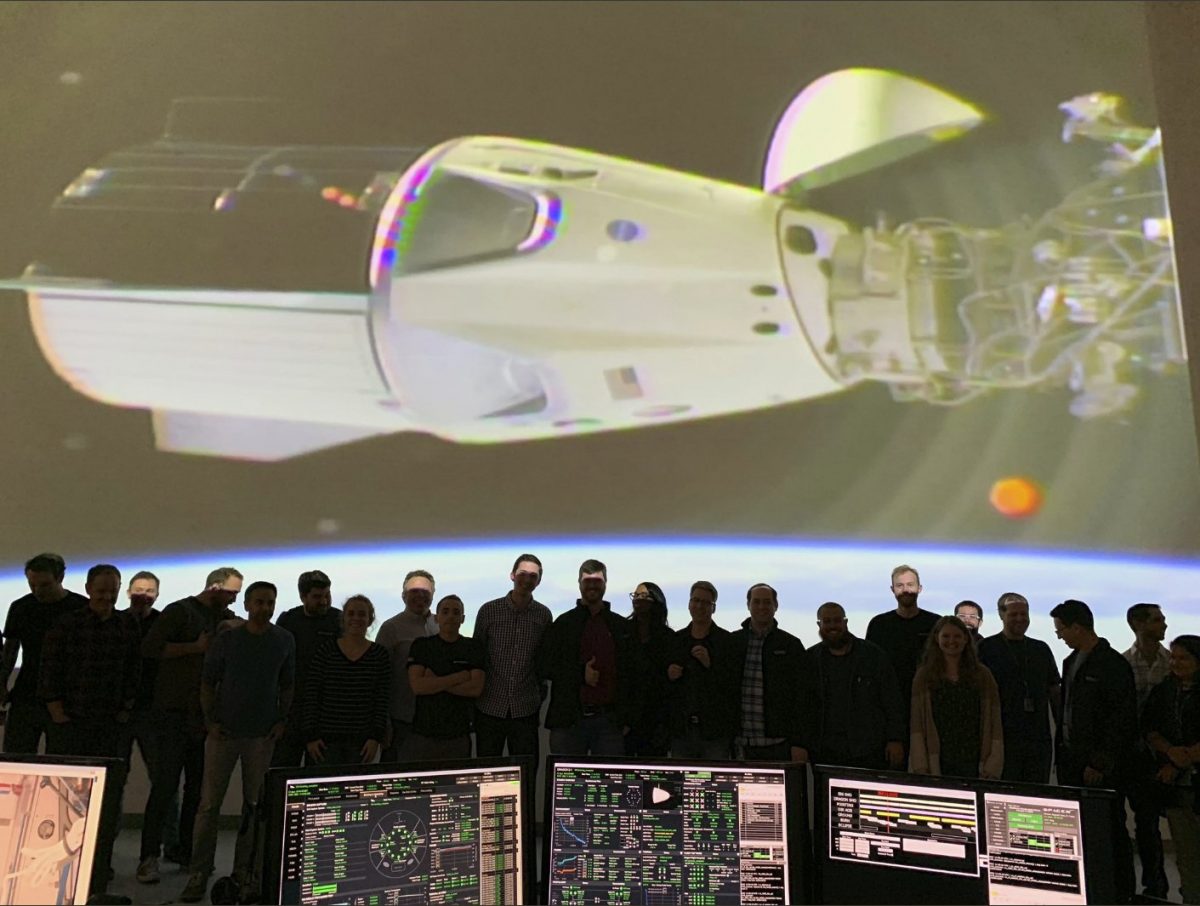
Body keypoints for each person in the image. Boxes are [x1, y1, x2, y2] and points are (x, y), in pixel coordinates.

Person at [181, 580, 295, 904]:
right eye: (259, 602)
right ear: (247, 605)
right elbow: (207, 681)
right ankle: (198, 875)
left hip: (261, 736)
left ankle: (246, 875)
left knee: (255, 808)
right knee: (208, 806)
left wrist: (281, 720)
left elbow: (287, 684)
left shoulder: (284, 640)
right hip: (224, 734)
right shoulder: (228, 639)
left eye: (270, 602)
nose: (265, 607)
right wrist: (210, 722)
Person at [39, 563, 141, 897]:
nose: (107, 595)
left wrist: (126, 708)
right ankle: (65, 860)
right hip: (72, 724)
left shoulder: (127, 625)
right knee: (66, 795)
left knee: (109, 797)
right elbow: (49, 667)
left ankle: (101, 863)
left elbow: (135, 670)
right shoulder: (66, 625)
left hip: (111, 725)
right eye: (101, 590)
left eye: (113, 589)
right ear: (87, 589)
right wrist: (56, 709)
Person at [136, 567, 242, 885]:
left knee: (196, 790)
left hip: (204, 717)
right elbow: (149, 649)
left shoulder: (225, 617)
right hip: (171, 714)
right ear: (214, 587)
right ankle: (148, 858)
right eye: (231, 592)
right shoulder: (179, 611)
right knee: (165, 788)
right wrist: (193, 648)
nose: (234, 598)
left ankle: (183, 851)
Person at [1052, 598, 1137, 905]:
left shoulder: (1113, 664)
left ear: (1078, 626)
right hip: (1072, 762)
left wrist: (1100, 762)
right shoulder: (1072, 660)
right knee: (1080, 832)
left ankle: (1121, 892)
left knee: (1111, 829)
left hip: (1099, 766)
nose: (1059, 635)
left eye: (1061, 629)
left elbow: (1121, 720)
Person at [542, 559, 638, 756]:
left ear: (605, 584)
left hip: (610, 722)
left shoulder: (621, 627)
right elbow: (545, 666)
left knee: (610, 785)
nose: (592, 585)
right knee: (566, 784)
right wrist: (580, 674)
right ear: (579, 584)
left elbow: (631, 674)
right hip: (569, 721)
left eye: (597, 580)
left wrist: (627, 718)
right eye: (587, 580)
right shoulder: (563, 624)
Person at [122, 570, 184, 865]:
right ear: (127, 592)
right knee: (113, 781)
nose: (142, 594)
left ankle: (169, 845)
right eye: (137, 589)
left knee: (164, 783)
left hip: (154, 712)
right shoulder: (117, 622)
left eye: (148, 590)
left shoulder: (165, 624)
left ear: (157, 595)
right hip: (117, 712)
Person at [0, 553, 87, 753]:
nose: (37, 591)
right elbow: (10, 650)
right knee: (16, 756)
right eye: (32, 585)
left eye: (44, 585)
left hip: (67, 696)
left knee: (63, 759)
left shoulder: (79, 608)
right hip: (27, 693)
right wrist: (2, 683)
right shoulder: (21, 607)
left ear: (60, 579)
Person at [801, 602, 905, 771]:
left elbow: (892, 700)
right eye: (827, 621)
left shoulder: (873, 656)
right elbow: (803, 707)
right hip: (824, 751)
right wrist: (801, 743)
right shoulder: (810, 659)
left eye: (837, 620)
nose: (832, 626)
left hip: (868, 750)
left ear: (845, 622)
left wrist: (895, 739)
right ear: (819, 624)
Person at [472, 555, 552, 765]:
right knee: (487, 773)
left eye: (533, 576)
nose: (527, 579)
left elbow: (543, 660)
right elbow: (477, 655)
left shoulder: (543, 615)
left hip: (525, 708)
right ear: (512, 575)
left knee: (527, 774)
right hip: (489, 706)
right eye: (522, 574)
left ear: (539, 581)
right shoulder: (489, 611)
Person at [976, 592, 1061, 784]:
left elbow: (1055, 692)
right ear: (1001, 615)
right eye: (1014, 614)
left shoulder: (1041, 649)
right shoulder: (986, 648)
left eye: (1024, 614)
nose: (1020, 619)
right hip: (1001, 738)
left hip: (1037, 740)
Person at [1142, 635, 1200, 905]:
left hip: (1188, 772)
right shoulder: (1165, 690)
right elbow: (1150, 728)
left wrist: (1185, 757)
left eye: (1183, 658)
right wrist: (1171, 754)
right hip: (1177, 788)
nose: (1176, 663)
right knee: (1187, 857)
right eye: (1173, 657)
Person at [909, 616, 1003, 779]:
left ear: (966, 639)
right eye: (946, 636)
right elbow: (917, 725)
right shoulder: (925, 676)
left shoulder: (982, 675)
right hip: (939, 759)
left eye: (957, 636)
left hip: (974, 758)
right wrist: (921, 765)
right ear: (936, 639)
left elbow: (994, 721)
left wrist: (993, 762)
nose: (951, 641)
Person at [303, 595, 391, 765]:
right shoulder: (326, 650)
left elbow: (382, 698)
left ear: (370, 619)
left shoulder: (379, 655)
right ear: (343, 618)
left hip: (362, 742)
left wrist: (375, 737)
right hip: (325, 742)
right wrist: (310, 736)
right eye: (351, 614)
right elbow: (312, 694)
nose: (356, 618)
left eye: (361, 614)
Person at [1123, 602, 1172, 901]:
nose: (1164, 624)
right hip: (1136, 754)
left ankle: (1158, 886)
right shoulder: (1124, 663)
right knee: (1144, 822)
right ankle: (1151, 885)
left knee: (1156, 822)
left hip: (1166, 754)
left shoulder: (1172, 662)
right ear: (1138, 625)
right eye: (1157, 620)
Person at [730, 583, 807, 761]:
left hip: (779, 744)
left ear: (776, 606)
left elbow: (803, 697)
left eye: (767, 602)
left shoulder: (791, 645)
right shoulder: (732, 642)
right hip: (740, 744)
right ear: (748, 605)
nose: (762, 607)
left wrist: (800, 742)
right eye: (756, 602)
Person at [865, 565, 940, 746]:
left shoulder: (935, 623)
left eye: (910, 585)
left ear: (919, 588)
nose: (905, 590)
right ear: (892, 590)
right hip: (888, 705)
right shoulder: (879, 625)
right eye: (900, 586)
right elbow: (870, 668)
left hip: (928, 703)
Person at [273, 569, 341, 767]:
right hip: (293, 707)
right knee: (282, 770)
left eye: (327, 595)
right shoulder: (288, 620)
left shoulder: (339, 620)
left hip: (325, 709)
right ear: (303, 597)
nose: (324, 601)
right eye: (317, 597)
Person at [404, 595, 485, 759]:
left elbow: (475, 689)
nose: (450, 616)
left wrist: (433, 680)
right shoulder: (422, 646)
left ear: (462, 619)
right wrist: (460, 677)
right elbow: (418, 687)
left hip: (459, 734)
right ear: (436, 617)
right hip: (424, 733)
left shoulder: (473, 647)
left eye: (456, 612)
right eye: (445, 611)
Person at [666, 581, 735, 760]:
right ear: (689, 604)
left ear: (713, 608)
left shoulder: (726, 641)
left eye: (705, 602)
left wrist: (709, 665)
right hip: (681, 731)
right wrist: (669, 675)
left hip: (714, 733)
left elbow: (731, 685)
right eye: (695, 600)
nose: (699, 606)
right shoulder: (676, 639)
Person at [376, 570, 438, 761]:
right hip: (401, 718)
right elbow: (379, 676)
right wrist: (383, 722)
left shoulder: (441, 624)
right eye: (414, 591)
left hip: (436, 719)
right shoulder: (391, 628)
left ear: (433, 595)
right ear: (403, 595)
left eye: (425, 592)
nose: (420, 596)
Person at [626, 581, 674, 756]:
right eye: (636, 595)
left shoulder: (669, 638)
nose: (639, 600)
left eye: (645, 596)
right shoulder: (623, 632)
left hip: (657, 722)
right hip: (627, 722)